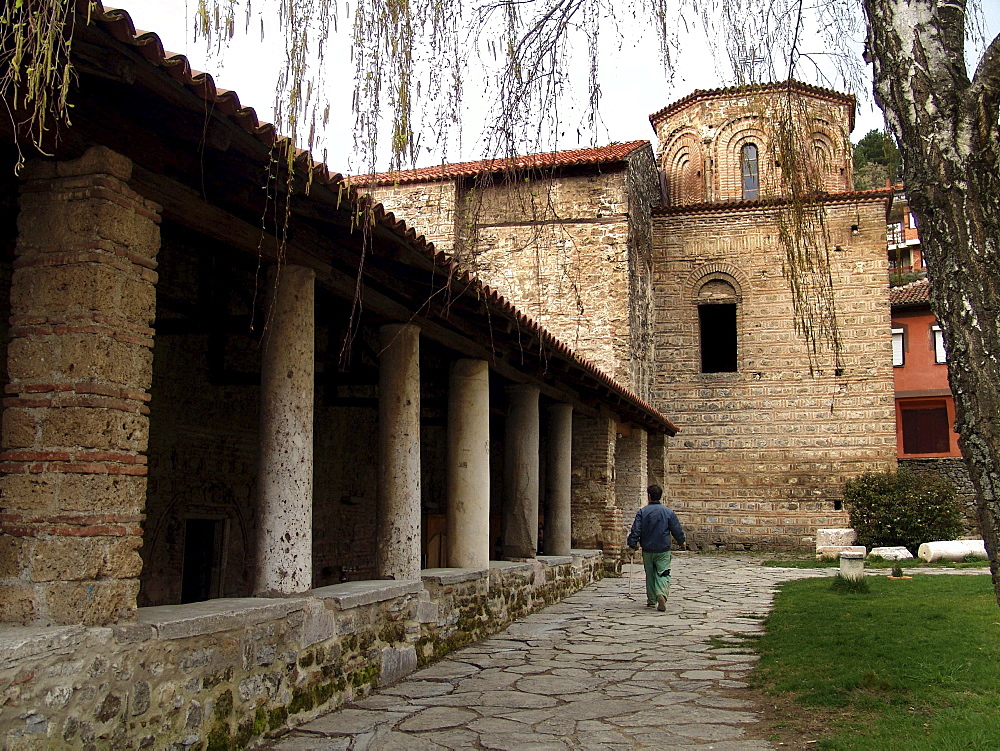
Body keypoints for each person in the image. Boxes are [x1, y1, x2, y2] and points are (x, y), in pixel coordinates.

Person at [626, 484, 685, 611]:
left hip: (647, 549)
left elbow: (636, 530)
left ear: (648, 496)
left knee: (650, 574)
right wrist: (681, 541)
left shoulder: (642, 512)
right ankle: (661, 593)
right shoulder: (668, 512)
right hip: (663, 549)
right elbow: (676, 529)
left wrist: (632, 545)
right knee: (663, 573)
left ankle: (652, 600)